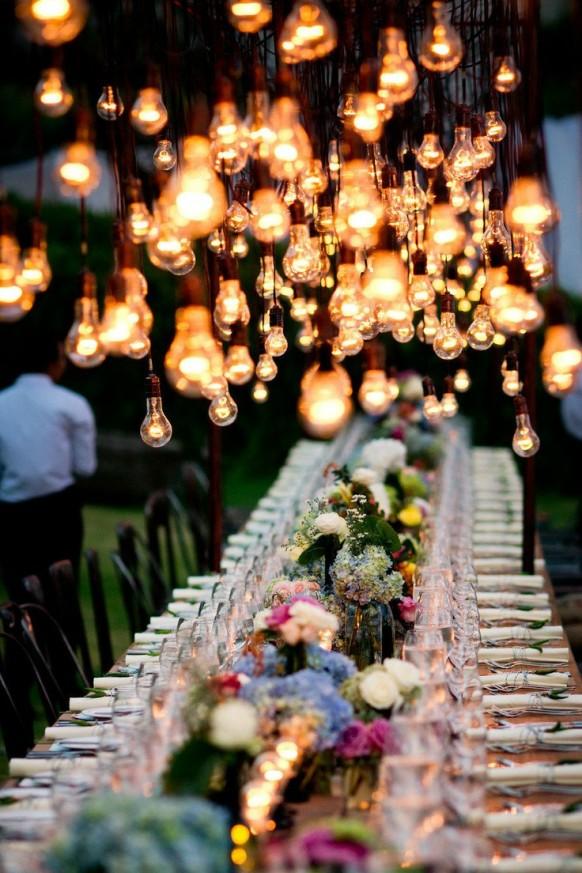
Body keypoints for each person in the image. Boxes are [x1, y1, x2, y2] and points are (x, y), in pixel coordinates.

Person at [0, 335, 97, 602]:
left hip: (10, 512)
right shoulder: (72, 405)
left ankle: (20, 643)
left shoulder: (2, 403)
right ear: (56, 363)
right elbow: (85, 466)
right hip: (58, 511)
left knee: (19, 598)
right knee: (61, 597)